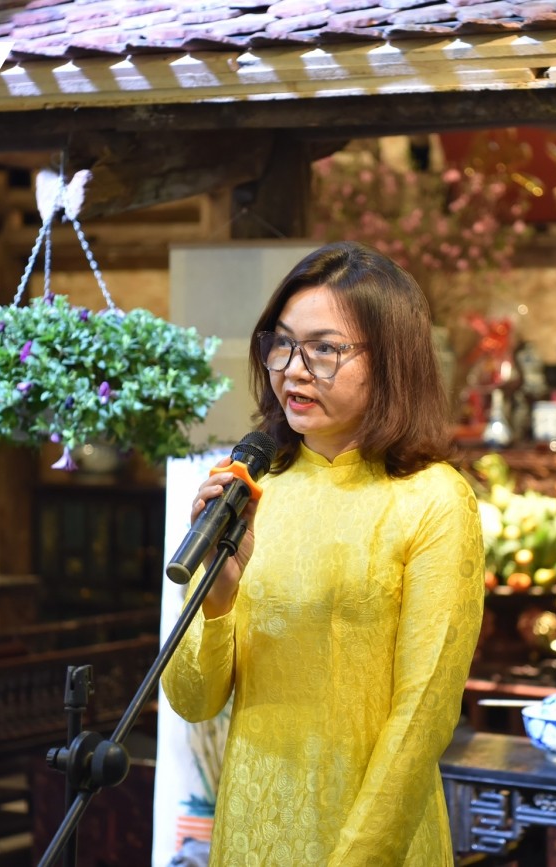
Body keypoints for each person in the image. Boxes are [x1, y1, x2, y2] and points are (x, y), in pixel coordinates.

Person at [161, 241, 485, 865]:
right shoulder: (255, 490)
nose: (293, 370)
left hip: (372, 842)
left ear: (390, 361)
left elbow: (422, 718)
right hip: (251, 832)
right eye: (281, 344)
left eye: (324, 350)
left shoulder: (433, 500)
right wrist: (218, 596)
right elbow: (192, 700)